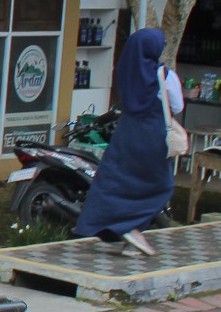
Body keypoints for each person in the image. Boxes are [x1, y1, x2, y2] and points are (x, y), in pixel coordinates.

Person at [74, 28, 183, 254]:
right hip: (152, 136)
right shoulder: (164, 75)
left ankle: (120, 235)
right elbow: (177, 105)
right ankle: (131, 228)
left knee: (116, 182)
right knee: (161, 186)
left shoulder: (124, 71)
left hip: (125, 134)